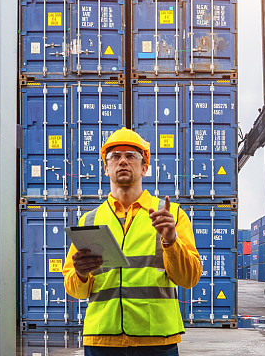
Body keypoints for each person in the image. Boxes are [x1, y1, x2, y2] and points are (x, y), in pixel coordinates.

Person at [63, 127, 202, 356]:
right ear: (106, 168)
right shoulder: (89, 220)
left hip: (156, 340)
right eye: (115, 156)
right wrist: (80, 274)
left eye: (131, 156)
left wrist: (170, 240)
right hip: (101, 340)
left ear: (145, 167)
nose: (123, 161)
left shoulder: (172, 215)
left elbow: (189, 278)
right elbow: (75, 290)